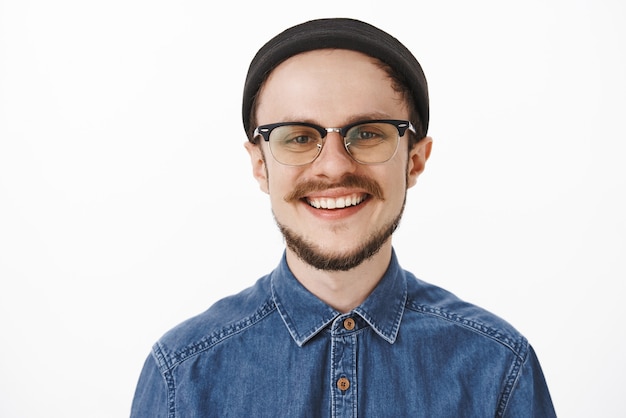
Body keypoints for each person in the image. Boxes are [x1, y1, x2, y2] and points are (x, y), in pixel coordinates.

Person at [130, 18, 556, 417]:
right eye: (298, 137)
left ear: (415, 160)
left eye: (367, 133)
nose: (333, 167)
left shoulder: (499, 367)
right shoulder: (182, 376)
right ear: (260, 165)